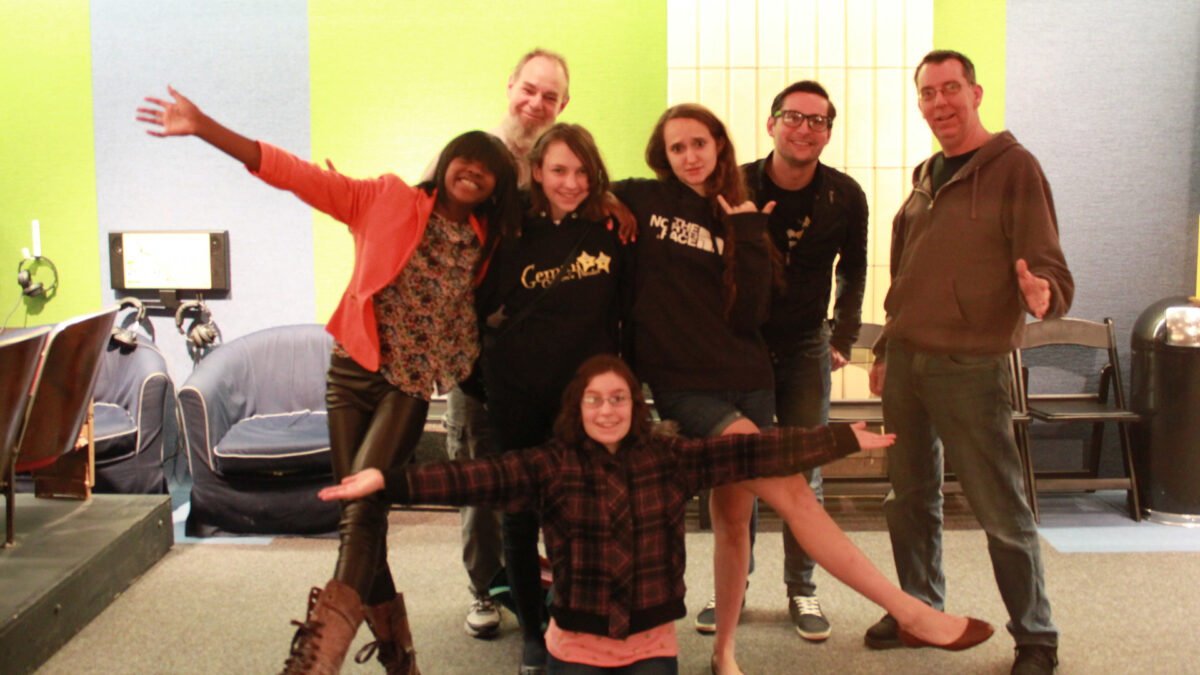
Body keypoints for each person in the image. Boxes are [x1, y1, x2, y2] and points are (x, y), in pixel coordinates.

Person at [138, 86, 521, 675]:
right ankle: (400, 658)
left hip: (409, 386)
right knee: (359, 517)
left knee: (361, 504)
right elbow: (295, 175)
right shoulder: (386, 198)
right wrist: (205, 126)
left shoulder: (488, 239)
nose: (475, 171)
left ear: (497, 187)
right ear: (446, 163)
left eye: (489, 169)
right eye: (467, 158)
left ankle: (319, 658)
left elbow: (566, 203)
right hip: (350, 374)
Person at [320, 354, 995, 675]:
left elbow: (766, 448)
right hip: (573, 648)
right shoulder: (548, 465)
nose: (609, 409)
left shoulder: (671, 458)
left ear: (636, 406)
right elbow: (465, 477)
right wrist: (388, 477)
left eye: (620, 398)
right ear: (577, 409)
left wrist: (844, 437)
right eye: (596, 400)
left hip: (651, 647)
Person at [863, 50, 1072, 675]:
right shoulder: (926, 173)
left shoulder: (1015, 168)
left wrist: (1045, 296)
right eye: (927, 92)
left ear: (975, 93)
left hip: (972, 368)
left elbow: (1049, 265)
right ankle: (922, 609)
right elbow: (906, 276)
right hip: (907, 363)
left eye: (950, 88)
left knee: (1000, 509)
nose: (939, 102)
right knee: (908, 497)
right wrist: (883, 347)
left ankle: (1036, 637)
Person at [609, 103, 778, 674]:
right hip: (686, 386)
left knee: (735, 520)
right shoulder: (645, 197)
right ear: (664, 154)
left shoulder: (741, 211)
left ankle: (724, 648)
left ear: (719, 146)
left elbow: (753, 313)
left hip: (750, 379)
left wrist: (750, 230)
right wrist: (609, 203)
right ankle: (897, 601)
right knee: (784, 484)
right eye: (677, 147)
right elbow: (580, 185)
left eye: (698, 144)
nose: (689, 157)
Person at [423, 49, 571, 643]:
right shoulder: (468, 157)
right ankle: (483, 589)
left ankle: (554, 586)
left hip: (543, 362)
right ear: (509, 86)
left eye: (550, 97)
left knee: (554, 479)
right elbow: (425, 248)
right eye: (528, 90)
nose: (535, 104)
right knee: (480, 480)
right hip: (474, 360)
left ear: (563, 106)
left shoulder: (559, 165)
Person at [477, 122, 627, 674]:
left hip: (586, 404)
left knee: (582, 518)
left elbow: (625, 311)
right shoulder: (508, 223)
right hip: (516, 395)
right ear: (536, 171)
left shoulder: (611, 227)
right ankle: (533, 634)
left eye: (583, 172)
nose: (571, 182)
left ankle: (574, 620)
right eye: (559, 170)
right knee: (519, 517)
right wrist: (486, 385)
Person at [740, 80, 869, 642]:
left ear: (829, 133)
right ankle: (732, 589)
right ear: (771, 124)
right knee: (738, 471)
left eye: (818, 121)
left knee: (802, 472)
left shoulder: (845, 195)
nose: (805, 128)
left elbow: (856, 268)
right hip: (738, 348)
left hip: (804, 350)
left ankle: (802, 590)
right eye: (794, 116)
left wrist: (843, 335)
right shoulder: (737, 183)